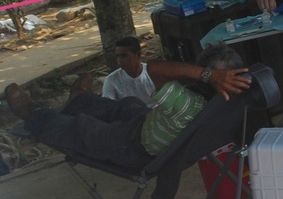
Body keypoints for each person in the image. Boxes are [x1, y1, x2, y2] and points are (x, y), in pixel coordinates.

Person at [4, 44, 250, 170]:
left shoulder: (185, 105)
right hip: (150, 125)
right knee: (129, 105)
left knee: (83, 128)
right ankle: (78, 100)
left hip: (132, 147)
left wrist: (205, 74)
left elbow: (152, 69)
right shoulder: (231, 105)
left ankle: (33, 113)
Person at [102, 36, 156, 107]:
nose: (119, 60)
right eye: (118, 56)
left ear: (138, 55)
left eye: (124, 56)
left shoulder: (154, 73)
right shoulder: (111, 80)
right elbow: (107, 108)